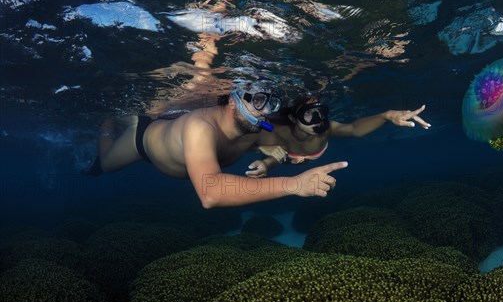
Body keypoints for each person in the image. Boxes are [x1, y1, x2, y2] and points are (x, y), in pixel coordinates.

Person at [88, 83, 348, 209]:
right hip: (143, 140)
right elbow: (210, 194)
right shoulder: (200, 127)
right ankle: (107, 124)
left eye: (272, 103)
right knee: (105, 165)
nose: (266, 112)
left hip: (174, 127)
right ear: (234, 101)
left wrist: (269, 154)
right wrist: (293, 184)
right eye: (258, 101)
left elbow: (275, 131)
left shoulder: (260, 125)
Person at [242, 94, 430, 178]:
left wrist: (386, 115)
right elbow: (258, 133)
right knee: (269, 144)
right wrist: (265, 162)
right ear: (293, 117)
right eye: (309, 114)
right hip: (280, 153)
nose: (318, 120)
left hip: (298, 155)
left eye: (321, 112)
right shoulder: (274, 128)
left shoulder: (326, 129)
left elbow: (354, 129)